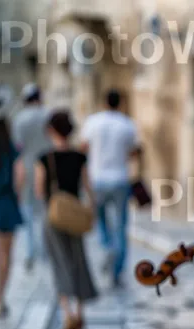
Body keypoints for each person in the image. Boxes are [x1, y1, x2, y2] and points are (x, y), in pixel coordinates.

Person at [36, 110, 97, 329]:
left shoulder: (45, 158)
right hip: (75, 215)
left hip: (54, 217)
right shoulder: (79, 157)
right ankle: (80, 313)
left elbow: (39, 190)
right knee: (78, 260)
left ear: (52, 131)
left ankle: (67, 313)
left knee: (59, 262)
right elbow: (88, 186)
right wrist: (91, 209)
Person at [81, 89, 139, 287]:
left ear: (104, 102)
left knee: (101, 220)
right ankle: (117, 268)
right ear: (119, 103)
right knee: (121, 225)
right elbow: (134, 151)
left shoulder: (92, 122)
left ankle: (107, 247)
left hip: (97, 179)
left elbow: (84, 147)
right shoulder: (127, 124)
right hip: (120, 179)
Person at [0, 86, 23, 319]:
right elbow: (20, 175)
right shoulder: (9, 143)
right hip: (6, 202)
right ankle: (2, 296)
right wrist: (16, 195)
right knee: (7, 254)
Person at [11, 83, 52, 269]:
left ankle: (30, 251)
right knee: (45, 209)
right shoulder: (48, 115)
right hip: (47, 167)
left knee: (27, 212)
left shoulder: (19, 119)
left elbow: (18, 148)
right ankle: (45, 249)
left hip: (27, 169)